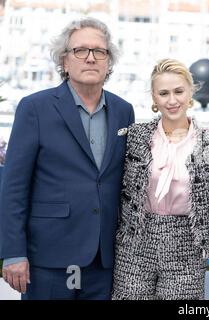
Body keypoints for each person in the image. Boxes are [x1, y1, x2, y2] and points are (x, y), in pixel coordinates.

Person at [0, 17, 135, 299]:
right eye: (80, 50)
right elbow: (13, 187)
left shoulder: (124, 111)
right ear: (64, 60)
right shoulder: (34, 108)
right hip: (49, 258)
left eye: (99, 51)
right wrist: (13, 253)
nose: (90, 58)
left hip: (104, 260)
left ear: (109, 62)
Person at [111, 58, 209, 300]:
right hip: (136, 240)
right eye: (163, 93)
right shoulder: (135, 137)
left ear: (190, 93)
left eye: (178, 91)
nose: (172, 100)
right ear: (154, 98)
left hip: (187, 243)